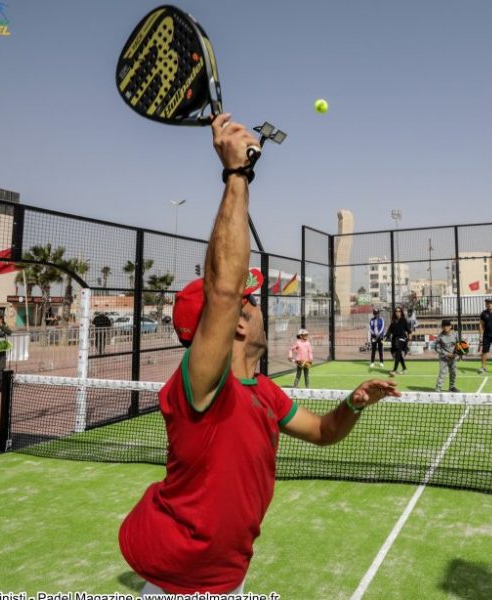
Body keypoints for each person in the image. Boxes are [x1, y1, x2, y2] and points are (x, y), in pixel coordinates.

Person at [120, 114, 400, 595]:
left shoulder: (263, 392)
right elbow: (224, 291)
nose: (255, 307)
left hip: (225, 576)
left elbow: (322, 432)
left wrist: (353, 403)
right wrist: (236, 176)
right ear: (237, 324)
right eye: (250, 302)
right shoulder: (203, 385)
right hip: (182, 583)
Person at [434, 319, 461, 393]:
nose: (445, 327)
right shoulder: (440, 336)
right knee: (442, 373)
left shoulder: (455, 334)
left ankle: (451, 387)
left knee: (453, 373)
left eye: (447, 325)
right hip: (444, 358)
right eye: (444, 326)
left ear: (450, 326)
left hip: (453, 357)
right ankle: (438, 389)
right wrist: (447, 354)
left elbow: (459, 344)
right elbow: (437, 348)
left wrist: (456, 353)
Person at [386, 306, 411, 376]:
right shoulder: (393, 321)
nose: (398, 312)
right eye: (396, 311)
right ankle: (404, 368)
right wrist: (386, 336)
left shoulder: (403, 320)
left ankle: (394, 370)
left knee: (397, 354)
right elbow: (389, 331)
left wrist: (409, 340)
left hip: (402, 339)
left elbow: (409, 331)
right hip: (395, 339)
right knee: (397, 354)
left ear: (401, 312)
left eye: (399, 311)